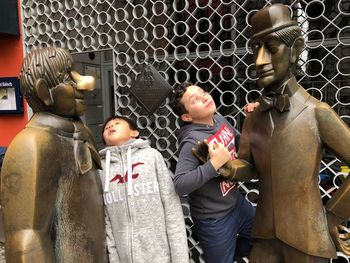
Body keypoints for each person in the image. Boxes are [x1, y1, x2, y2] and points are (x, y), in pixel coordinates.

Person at [212, 4, 350, 262]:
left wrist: (333, 215)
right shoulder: (253, 117)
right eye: (255, 49)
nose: (259, 61)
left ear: (296, 49)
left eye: (271, 47)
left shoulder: (317, 113)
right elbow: (249, 165)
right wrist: (229, 168)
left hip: (307, 237)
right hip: (264, 235)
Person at [0, 47, 106, 262]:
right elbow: (27, 237)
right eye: (69, 77)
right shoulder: (33, 144)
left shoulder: (80, 133)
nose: (85, 84)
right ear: (43, 91)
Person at [169, 83, 256, 263]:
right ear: (186, 116)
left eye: (203, 92)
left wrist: (251, 121)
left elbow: (240, 143)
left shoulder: (219, 120)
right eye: (195, 100)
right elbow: (180, 184)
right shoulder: (192, 140)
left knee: (261, 235)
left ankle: (232, 253)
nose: (204, 97)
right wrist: (214, 164)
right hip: (214, 219)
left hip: (236, 203)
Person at [99, 115, 189, 263]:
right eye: (106, 127)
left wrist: (180, 259)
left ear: (134, 133)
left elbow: (171, 208)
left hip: (161, 257)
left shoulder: (151, 156)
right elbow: (106, 220)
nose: (110, 126)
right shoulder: (102, 169)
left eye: (116, 123)